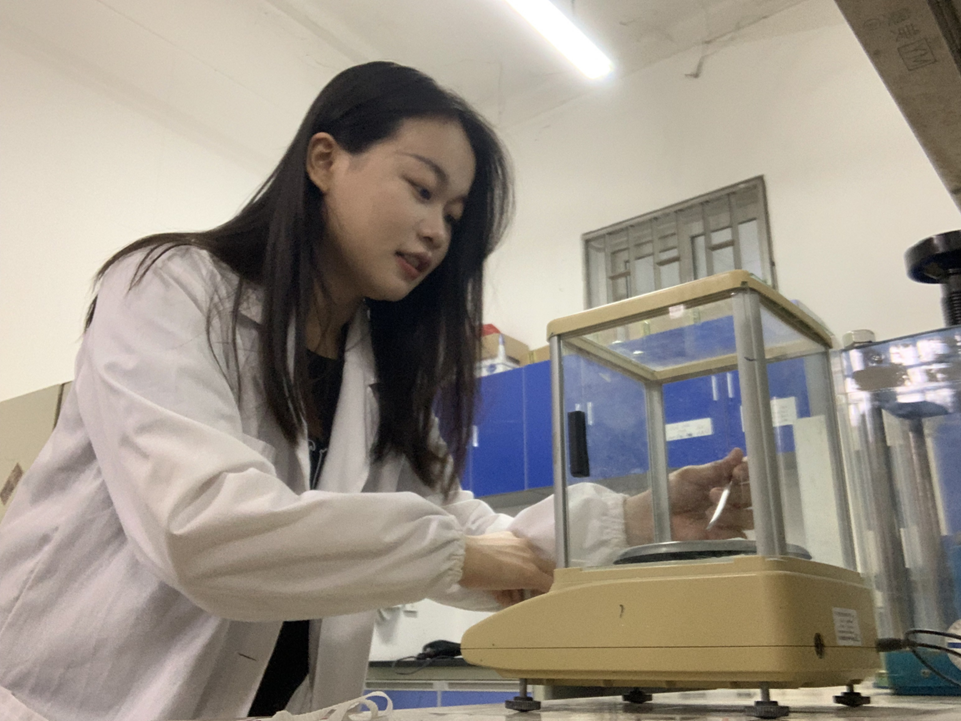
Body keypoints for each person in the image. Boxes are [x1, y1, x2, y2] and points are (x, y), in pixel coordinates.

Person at [0, 62, 751, 721]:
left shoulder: (382, 378)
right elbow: (202, 531)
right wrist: (465, 555)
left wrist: (640, 517)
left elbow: (475, 538)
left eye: (453, 217)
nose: (437, 232)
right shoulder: (169, 288)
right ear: (325, 159)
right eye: (421, 189)